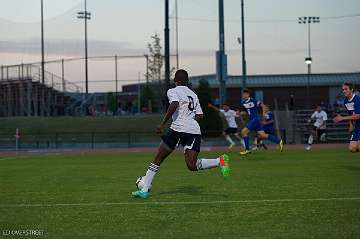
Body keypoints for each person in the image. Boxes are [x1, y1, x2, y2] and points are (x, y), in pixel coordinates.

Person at [132, 69, 231, 199]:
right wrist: (189, 122)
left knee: (158, 158)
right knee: (191, 165)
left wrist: (162, 123)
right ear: (187, 81)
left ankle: (144, 190)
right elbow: (200, 115)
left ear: (175, 81)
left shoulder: (172, 91)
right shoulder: (193, 95)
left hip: (178, 129)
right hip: (194, 131)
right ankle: (220, 161)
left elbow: (174, 104)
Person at [239, 88, 283, 155]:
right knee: (263, 135)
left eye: (245, 94)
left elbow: (263, 106)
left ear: (248, 94)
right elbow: (245, 112)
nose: (244, 95)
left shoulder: (253, 100)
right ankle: (279, 141)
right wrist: (239, 113)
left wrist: (263, 114)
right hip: (254, 120)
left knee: (243, 132)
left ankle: (247, 150)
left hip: (255, 119)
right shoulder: (243, 103)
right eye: (243, 94)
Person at [334, 82, 360, 153]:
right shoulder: (345, 101)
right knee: (352, 149)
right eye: (343, 89)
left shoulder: (357, 99)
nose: (344, 91)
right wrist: (351, 125)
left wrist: (342, 118)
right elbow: (350, 113)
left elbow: (358, 116)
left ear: (351, 90)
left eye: (346, 89)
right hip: (357, 127)